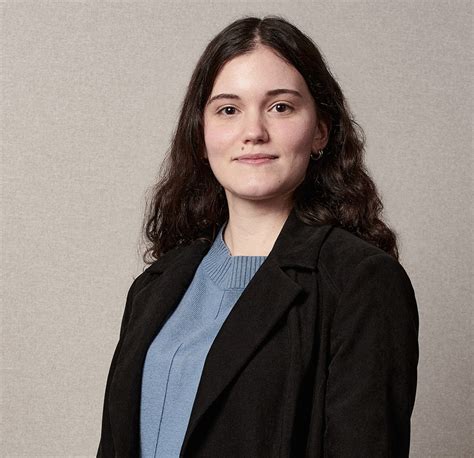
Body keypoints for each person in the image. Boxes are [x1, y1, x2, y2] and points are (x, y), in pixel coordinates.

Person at [97, 15, 419, 458]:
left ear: (320, 131)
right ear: (201, 134)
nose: (253, 132)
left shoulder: (362, 283)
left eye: (280, 107)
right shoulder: (155, 287)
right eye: (228, 110)